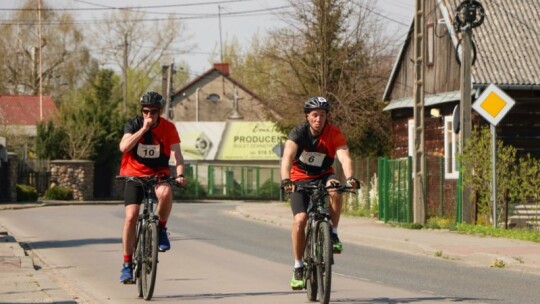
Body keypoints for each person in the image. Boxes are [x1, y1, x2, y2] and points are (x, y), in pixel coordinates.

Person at [280, 96, 360, 290]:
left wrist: (350, 178)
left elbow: (344, 157)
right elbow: (287, 158)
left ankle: (332, 233)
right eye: (314, 115)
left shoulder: (334, 133)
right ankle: (298, 266)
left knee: (335, 188)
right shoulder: (298, 133)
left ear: (327, 116)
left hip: (324, 175)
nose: (318, 119)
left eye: (322, 115)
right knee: (300, 220)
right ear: (307, 116)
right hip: (299, 178)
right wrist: (285, 181)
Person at [118, 91, 187, 284]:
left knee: (165, 192)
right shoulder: (134, 124)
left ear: (160, 112)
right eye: (145, 111)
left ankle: (162, 230)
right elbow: (123, 147)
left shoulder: (168, 128)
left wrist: (180, 174)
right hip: (134, 174)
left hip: (157, 174)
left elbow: (178, 156)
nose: (149, 115)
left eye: (153, 112)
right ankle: (126, 264)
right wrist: (143, 130)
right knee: (131, 216)